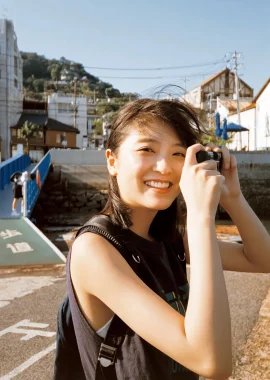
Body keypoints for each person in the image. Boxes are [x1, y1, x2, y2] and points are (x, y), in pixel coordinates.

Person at [66, 98, 270, 380]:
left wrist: (233, 199)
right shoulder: (95, 249)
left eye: (177, 154)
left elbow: (262, 259)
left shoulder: (169, 240)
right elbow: (212, 362)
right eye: (147, 149)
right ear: (112, 161)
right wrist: (200, 216)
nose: (164, 167)